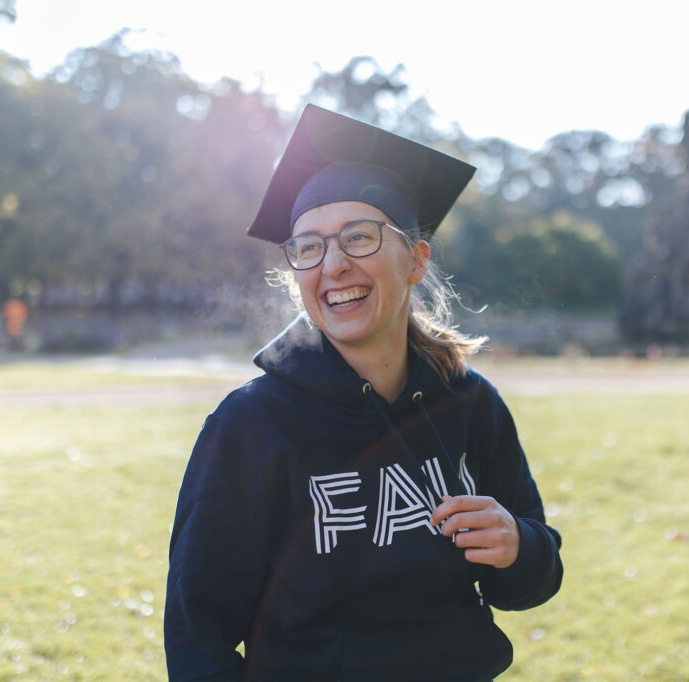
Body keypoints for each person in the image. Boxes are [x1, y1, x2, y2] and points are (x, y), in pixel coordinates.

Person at [164, 104, 563, 681]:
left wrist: (520, 545)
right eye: (309, 247)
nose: (334, 265)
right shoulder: (250, 426)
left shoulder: (471, 405)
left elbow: (528, 585)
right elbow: (196, 635)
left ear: (416, 260)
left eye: (359, 237)